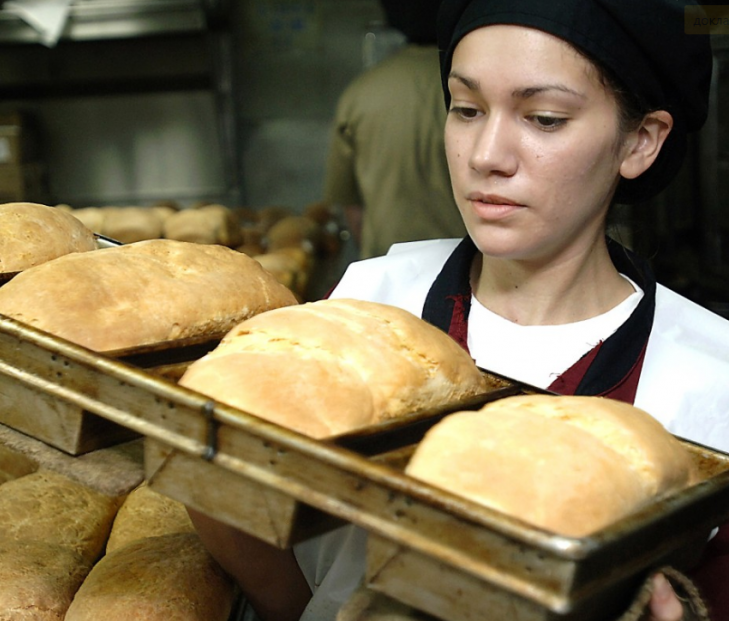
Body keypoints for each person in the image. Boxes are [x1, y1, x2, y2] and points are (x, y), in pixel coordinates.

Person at [189, 1, 729, 620]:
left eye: (544, 118)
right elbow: (277, 560)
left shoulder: (710, 379)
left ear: (639, 141)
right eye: (466, 109)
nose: (485, 154)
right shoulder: (367, 303)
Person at [323, 0, 466, 259]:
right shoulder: (474, 90)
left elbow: (350, 203)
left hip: (387, 263)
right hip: (465, 268)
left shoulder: (361, 93)